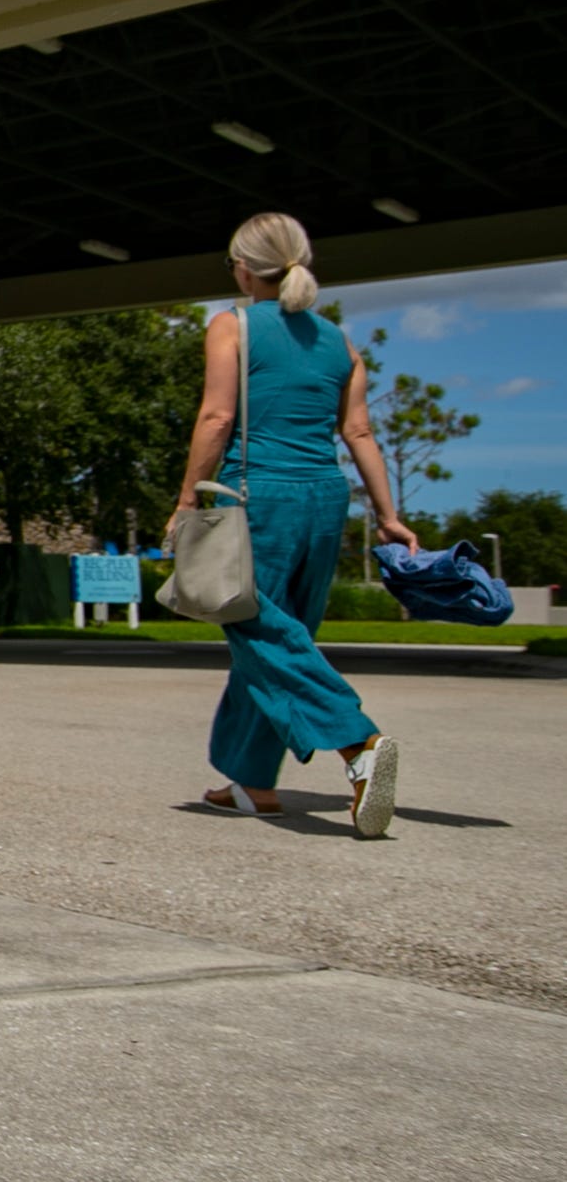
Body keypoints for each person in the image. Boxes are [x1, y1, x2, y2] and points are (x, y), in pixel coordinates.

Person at [176, 213, 417, 838]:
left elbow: (217, 417)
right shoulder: (339, 342)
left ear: (240, 265)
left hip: (258, 497)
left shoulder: (232, 326)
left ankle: (357, 742)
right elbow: (359, 431)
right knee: (284, 639)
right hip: (326, 498)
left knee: (257, 629)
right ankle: (250, 781)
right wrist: (388, 517)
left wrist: (185, 502)